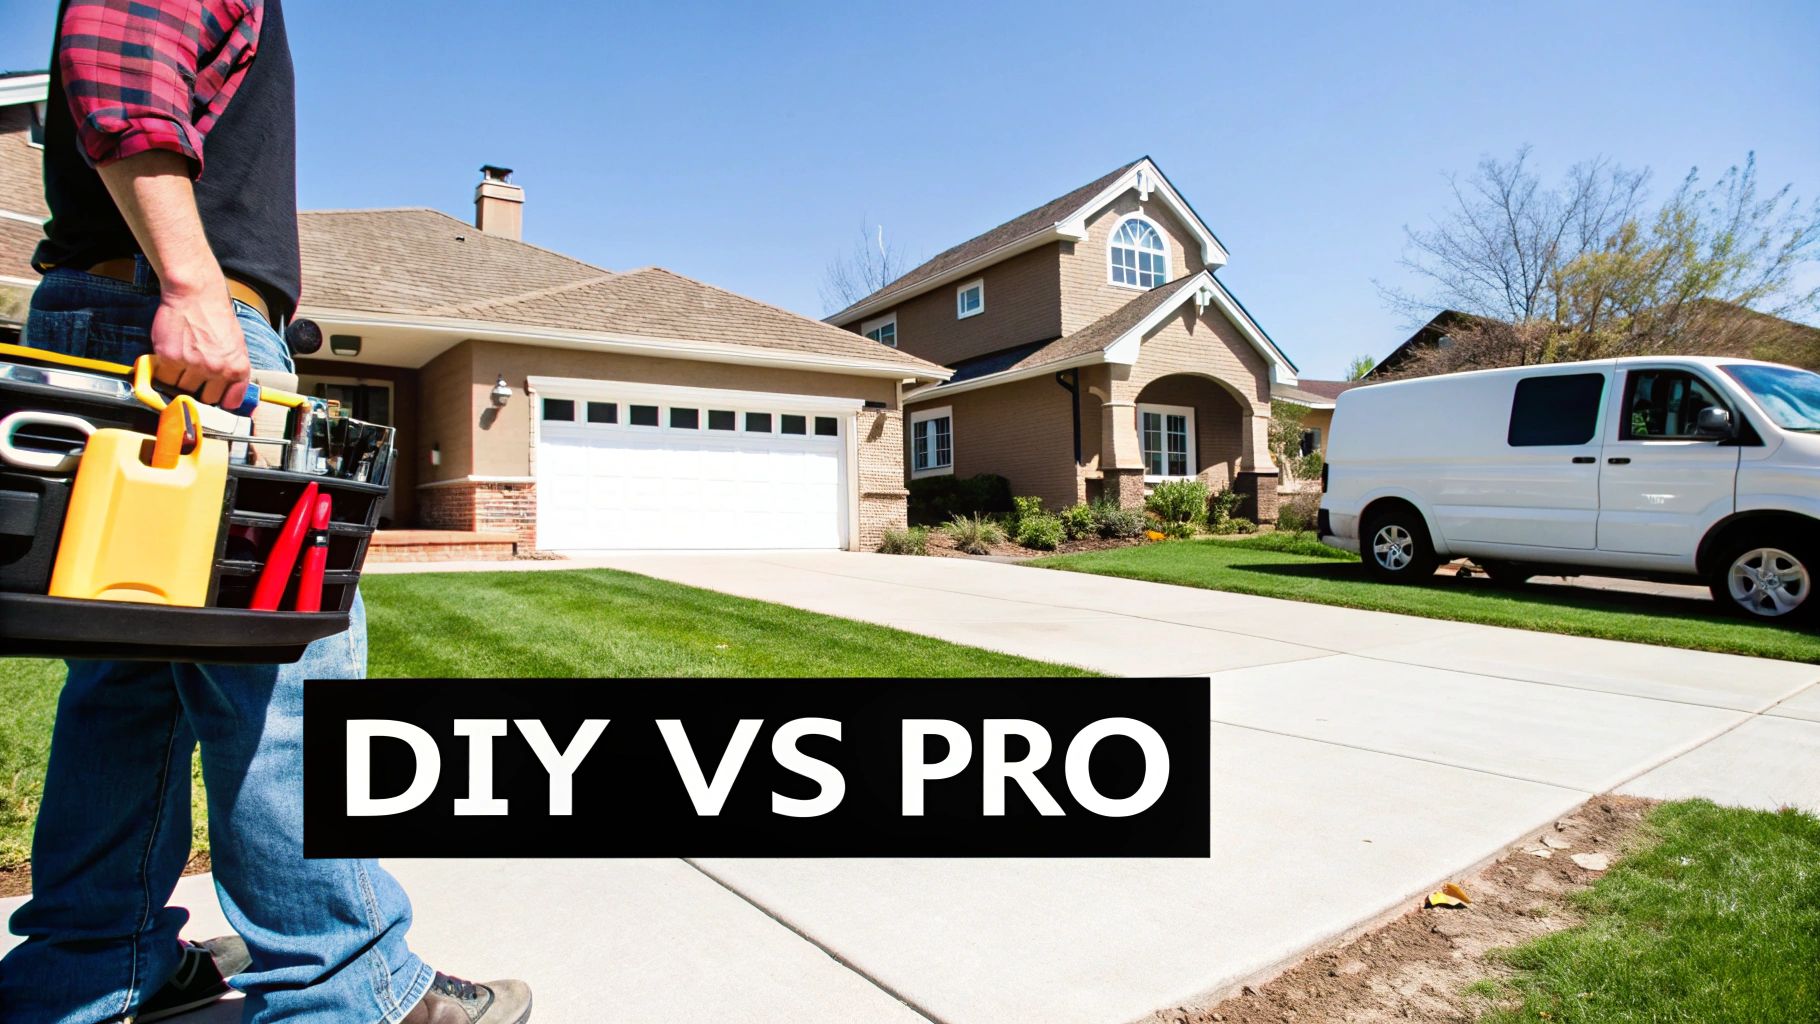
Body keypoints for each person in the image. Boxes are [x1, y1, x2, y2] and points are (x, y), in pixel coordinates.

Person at [0, 3, 532, 1023]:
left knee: (130, 676)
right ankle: (349, 988)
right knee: (288, 672)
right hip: (184, 333)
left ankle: (93, 972)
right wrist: (196, 283)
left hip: (119, 317)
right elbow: (116, 65)